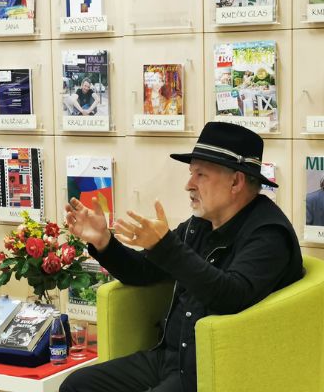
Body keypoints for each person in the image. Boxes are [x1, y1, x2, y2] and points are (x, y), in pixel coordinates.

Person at [60, 121, 303, 392]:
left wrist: (166, 247)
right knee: (77, 385)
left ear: (236, 181)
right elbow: (143, 272)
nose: (189, 185)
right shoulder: (200, 224)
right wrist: (103, 241)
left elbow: (232, 296)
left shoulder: (269, 234)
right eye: (191, 174)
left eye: (200, 175)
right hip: (170, 357)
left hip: (212, 369)